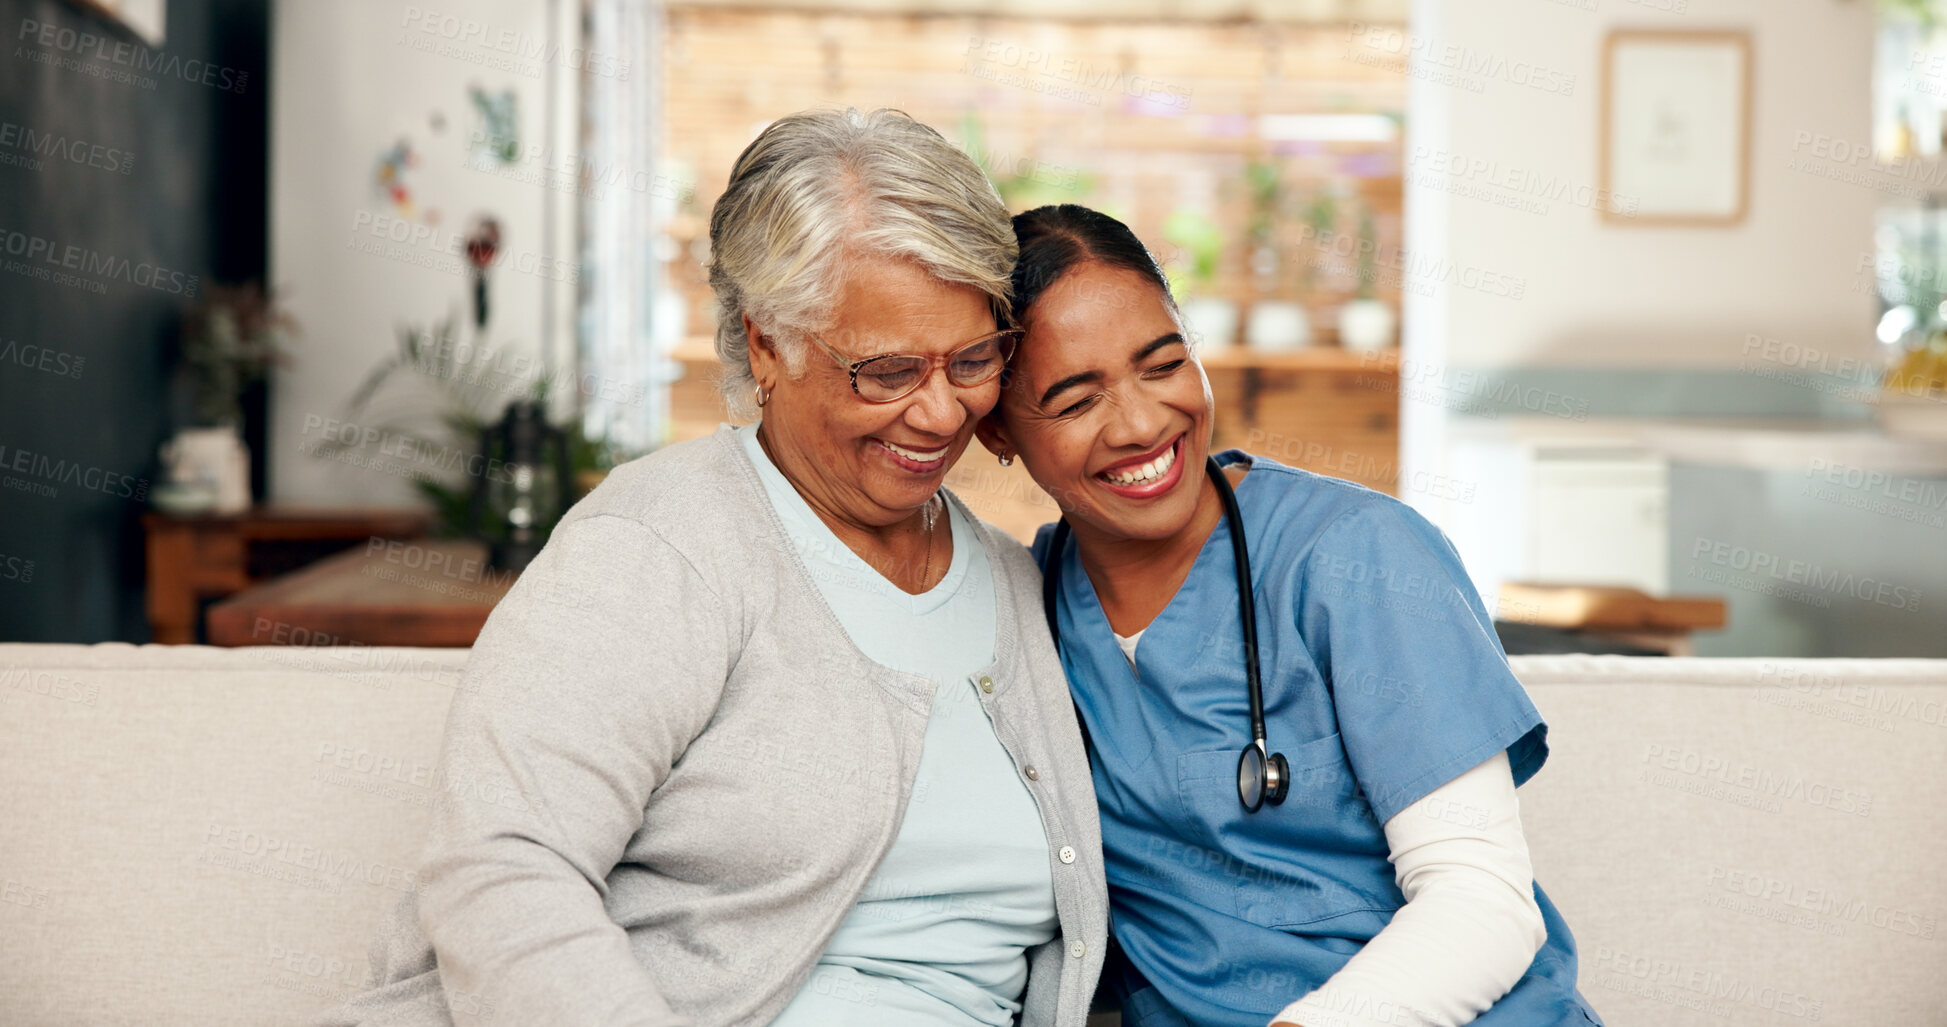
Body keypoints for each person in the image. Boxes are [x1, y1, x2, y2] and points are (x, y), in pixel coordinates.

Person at [317, 110, 1106, 1027]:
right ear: (768, 341)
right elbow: (504, 870)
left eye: (973, 359)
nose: (940, 412)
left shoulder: (1016, 582)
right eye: (886, 371)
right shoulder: (664, 544)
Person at [974, 204, 1603, 1027]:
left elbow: (1482, 899)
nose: (1140, 423)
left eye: (1163, 364)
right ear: (995, 430)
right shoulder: (1026, 609)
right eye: (1074, 399)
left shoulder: (1361, 556)